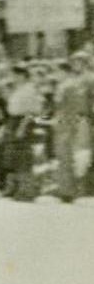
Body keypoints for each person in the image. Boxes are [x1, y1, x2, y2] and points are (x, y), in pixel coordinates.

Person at [50, 60, 90, 203]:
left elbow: (61, 105)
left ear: (63, 71)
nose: (56, 74)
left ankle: (66, 191)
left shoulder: (66, 86)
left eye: (57, 71)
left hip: (65, 124)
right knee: (65, 157)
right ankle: (67, 189)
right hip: (69, 123)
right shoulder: (73, 85)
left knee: (64, 157)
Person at [3, 64, 43, 201]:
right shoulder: (18, 89)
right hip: (14, 121)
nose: (13, 77)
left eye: (15, 74)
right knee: (16, 157)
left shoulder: (29, 89)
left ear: (22, 75)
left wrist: (22, 127)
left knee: (24, 157)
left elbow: (31, 112)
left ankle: (28, 190)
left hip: (23, 122)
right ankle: (20, 189)